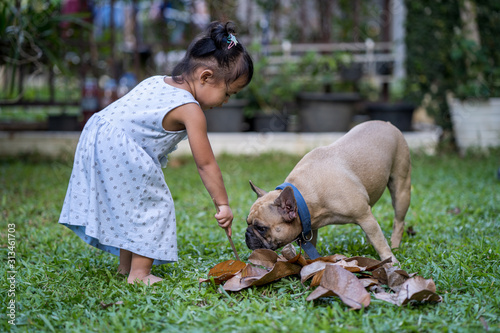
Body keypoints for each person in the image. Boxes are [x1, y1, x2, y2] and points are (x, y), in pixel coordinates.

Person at [59, 21, 253, 285]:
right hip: (123, 147)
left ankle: (126, 266)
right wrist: (223, 204)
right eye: (228, 93)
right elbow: (205, 164)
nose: (226, 101)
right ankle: (139, 275)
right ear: (206, 77)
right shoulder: (190, 109)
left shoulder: (156, 81)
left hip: (98, 133)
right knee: (152, 205)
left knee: (132, 206)